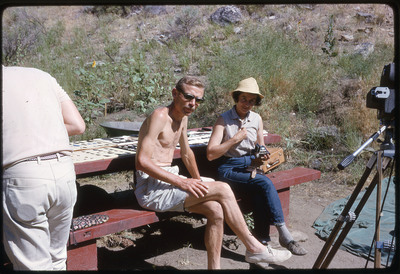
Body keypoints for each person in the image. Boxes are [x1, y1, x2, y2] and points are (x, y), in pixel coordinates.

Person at [134, 76, 292, 269]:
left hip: (170, 180)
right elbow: (142, 162)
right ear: (175, 93)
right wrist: (183, 183)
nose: (193, 104)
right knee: (223, 188)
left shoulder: (183, 117)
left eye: (198, 100)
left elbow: (186, 153)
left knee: (216, 210)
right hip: (151, 188)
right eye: (188, 97)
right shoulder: (160, 116)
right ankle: (254, 247)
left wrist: (197, 180)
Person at [206, 77, 307, 256]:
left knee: (260, 192)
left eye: (251, 100)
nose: (247, 104)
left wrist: (263, 153)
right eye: (244, 98)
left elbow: (260, 146)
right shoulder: (224, 120)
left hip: (249, 167)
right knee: (265, 183)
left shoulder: (256, 119)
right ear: (237, 98)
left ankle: (262, 244)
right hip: (228, 169)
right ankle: (284, 235)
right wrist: (234, 140)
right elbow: (211, 154)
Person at [2, 66, 86, 270]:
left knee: (34, 265)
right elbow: (77, 125)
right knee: (57, 259)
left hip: (24, 179)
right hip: (64, 172)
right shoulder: (42, 75)